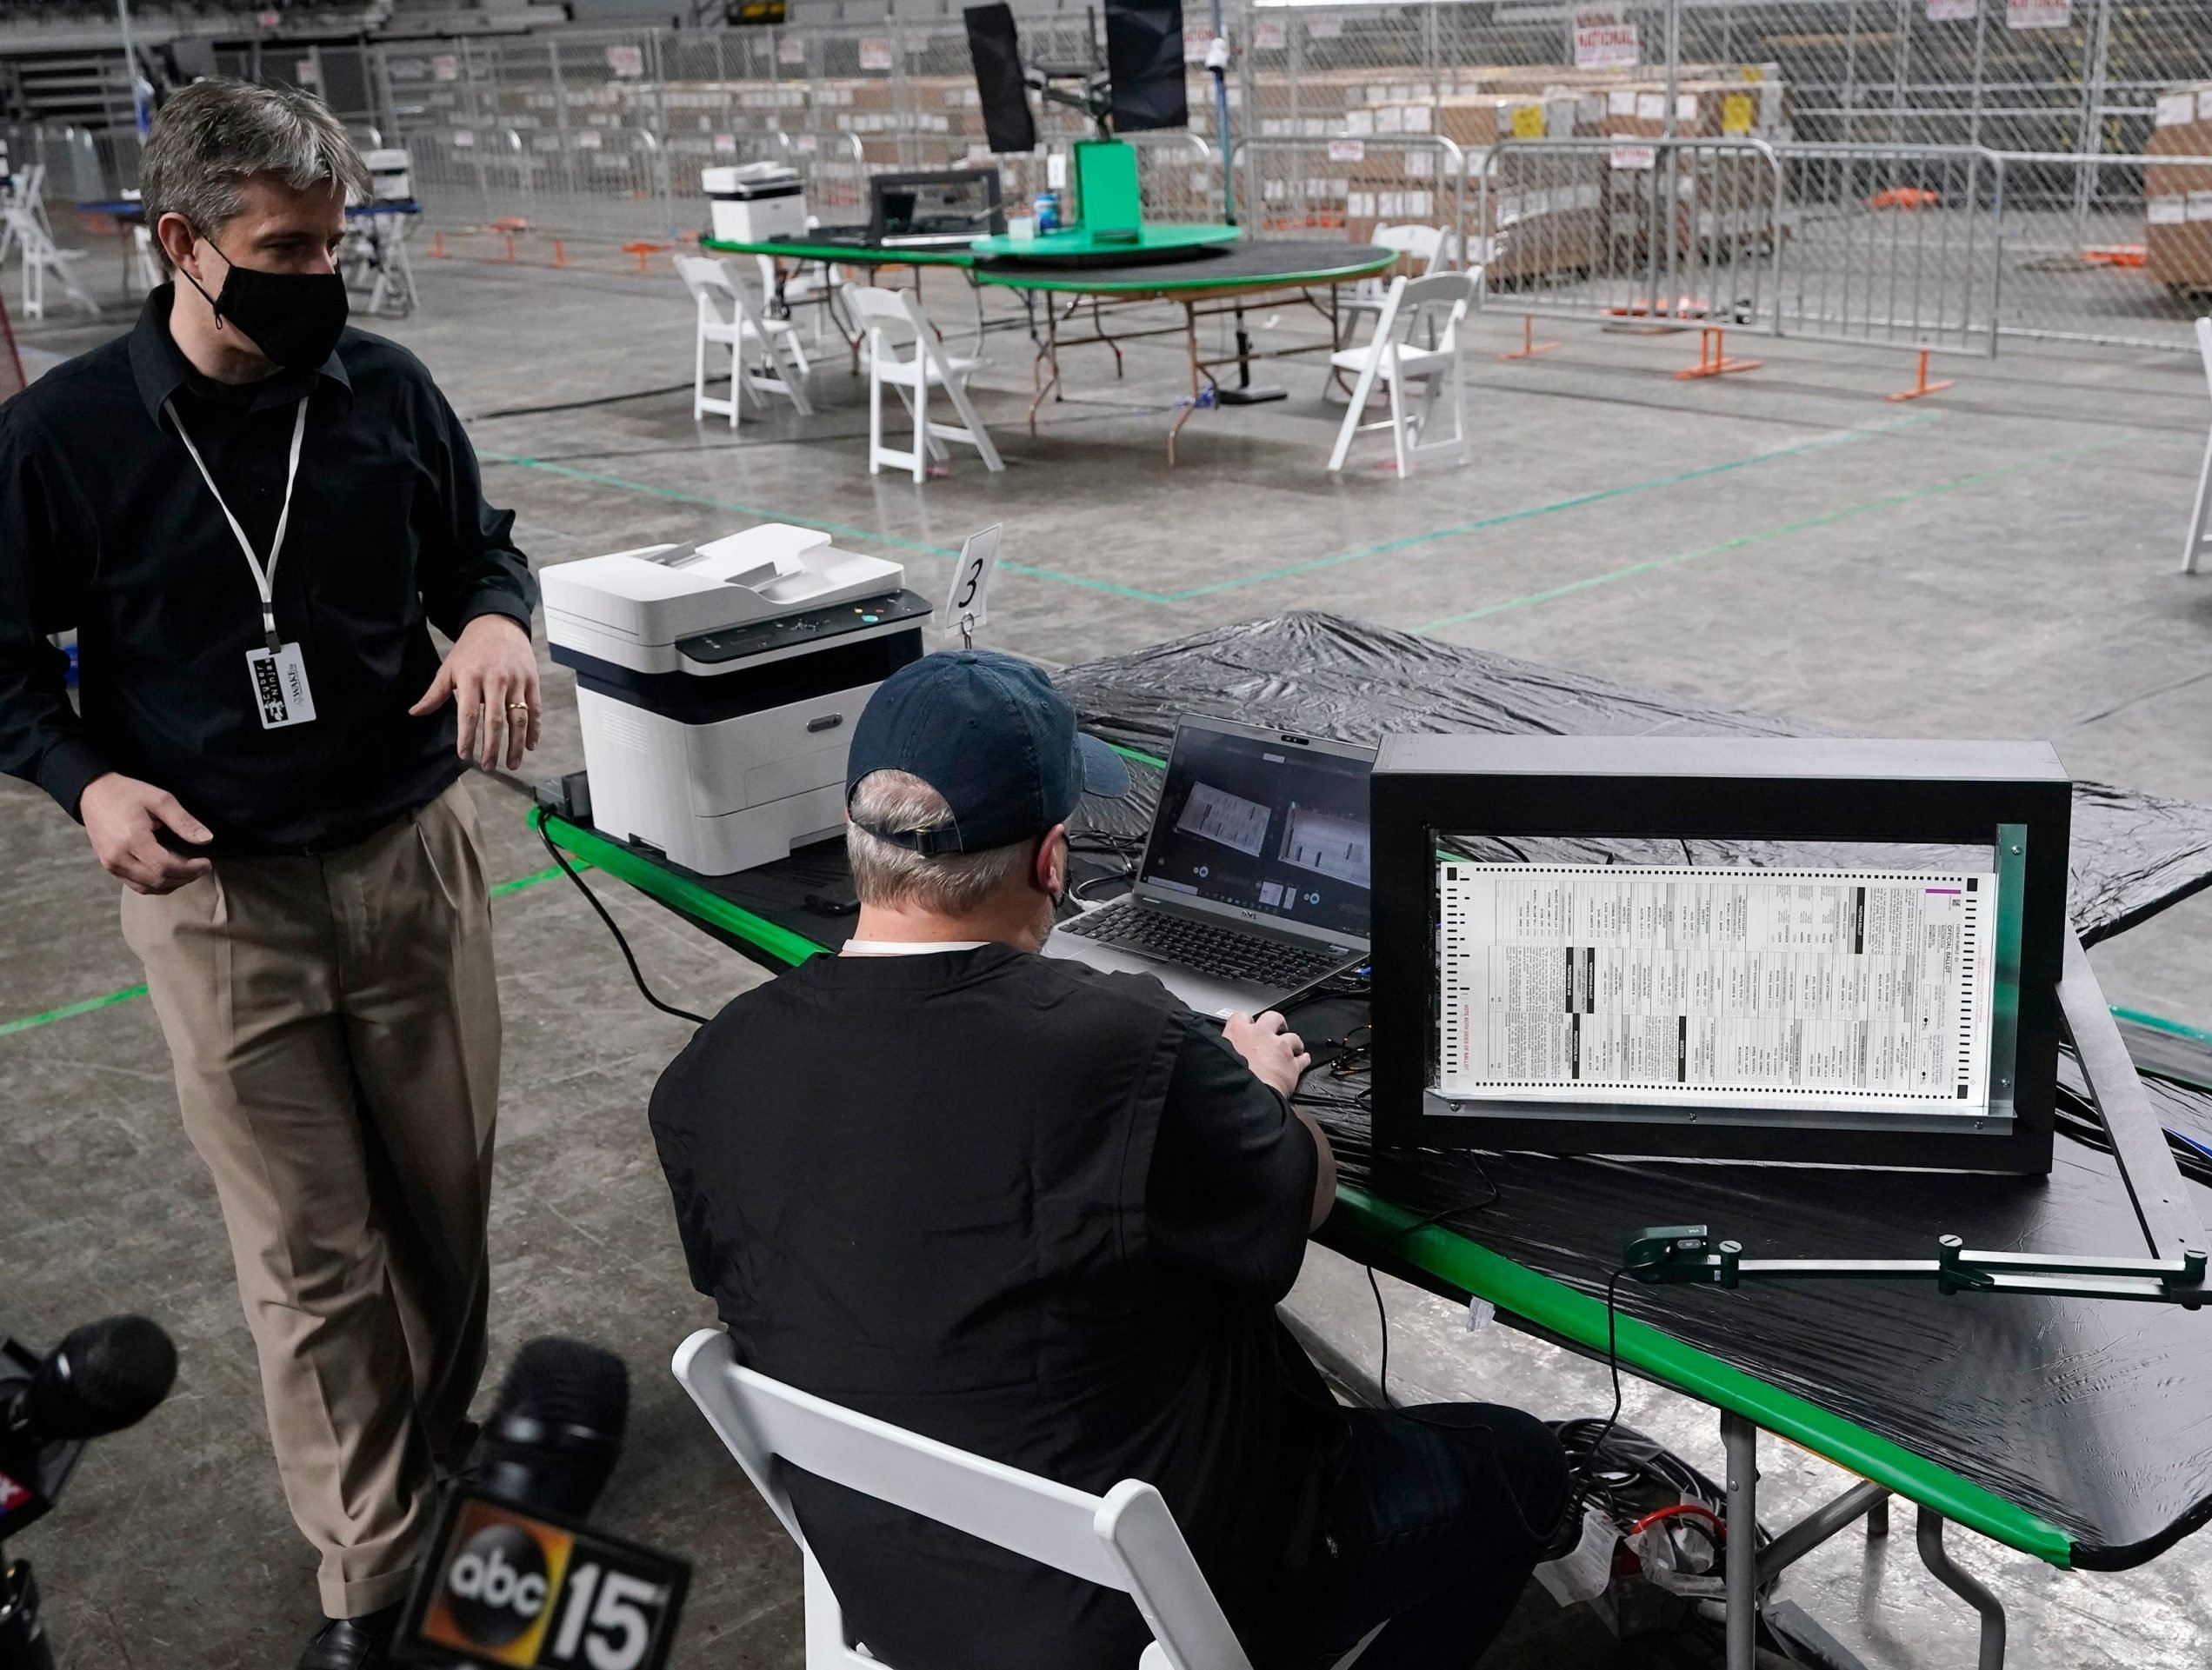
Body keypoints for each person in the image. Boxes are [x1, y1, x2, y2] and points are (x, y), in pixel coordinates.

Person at [649, 651, 1570, 1670]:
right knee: (1518, 1466)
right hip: (1145, 1614)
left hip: (898, 1584)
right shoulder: (1118, 1047)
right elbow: (1293, 1194)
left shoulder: (708, 1071)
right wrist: (1257, 1087)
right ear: (1052, 860)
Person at [0, 81, 539, 1670]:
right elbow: (3, 662)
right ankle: (372, 1584)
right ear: (182, 242)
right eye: (283, 248)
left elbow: (477, 552)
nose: (320, 277)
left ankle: (441, 1469)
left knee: (442, 1221)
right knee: (310, 1262)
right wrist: (81, 778)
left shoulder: (383, 394)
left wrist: (500, 614)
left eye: (335, 244)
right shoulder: (67, 441)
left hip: (411, 866)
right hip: (218, 902)